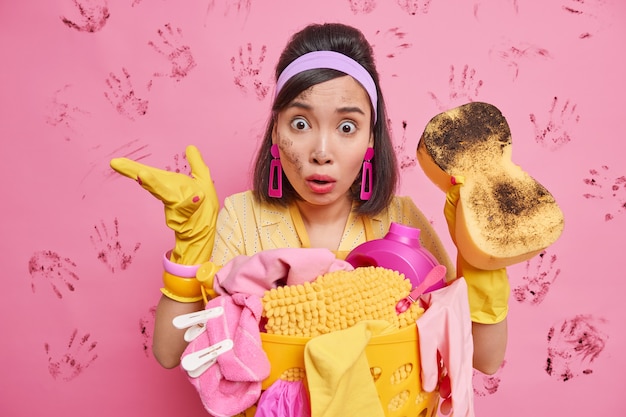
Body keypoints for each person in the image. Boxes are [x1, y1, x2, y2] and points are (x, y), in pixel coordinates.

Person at [111, 22, 507, 376]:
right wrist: (191, 245)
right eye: (300, 123)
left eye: (347, 126)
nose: (321, 150)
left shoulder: (400, 221)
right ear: (275, 133)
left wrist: (483, 259)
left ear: (371, 140)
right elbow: (169, 351)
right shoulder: (242, 217)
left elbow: (484, 359)